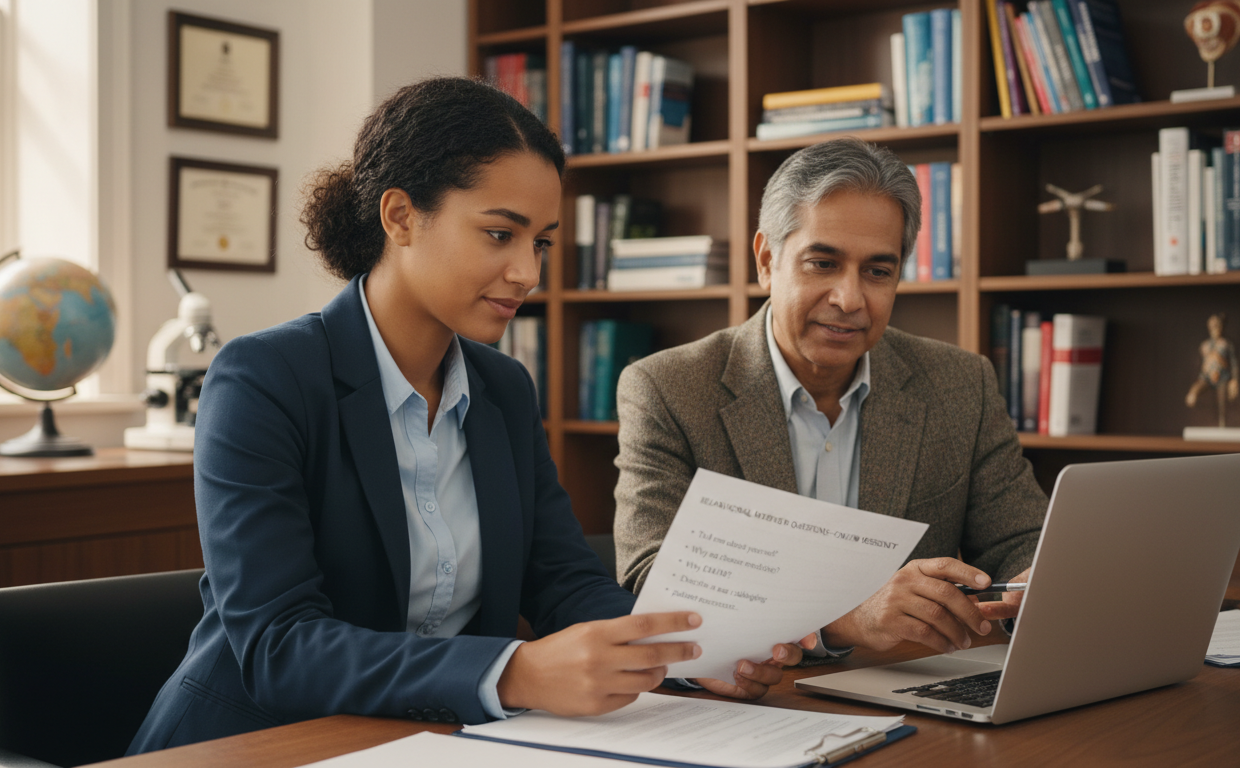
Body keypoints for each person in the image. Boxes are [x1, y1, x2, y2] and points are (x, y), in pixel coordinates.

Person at [128, 77, 807, 754]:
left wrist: (694, 652)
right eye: (498, 233)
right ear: (400, 218)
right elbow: (279, 645)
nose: (526, 273)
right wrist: (515, 671)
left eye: (540, 241)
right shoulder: (264, 378)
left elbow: (562, 580)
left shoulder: (503, 388)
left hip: (431, 739)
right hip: (255, 743)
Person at [613, 137, 1047, 662]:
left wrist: (1037, 581)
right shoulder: (668, 388)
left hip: (904, 688)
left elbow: (1019, 540)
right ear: (767, 261)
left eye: (877, 271)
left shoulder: (960, 383)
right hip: (749, 695)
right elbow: (652, 576)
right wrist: (840, 622)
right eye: (823, 263)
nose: (850, 299)